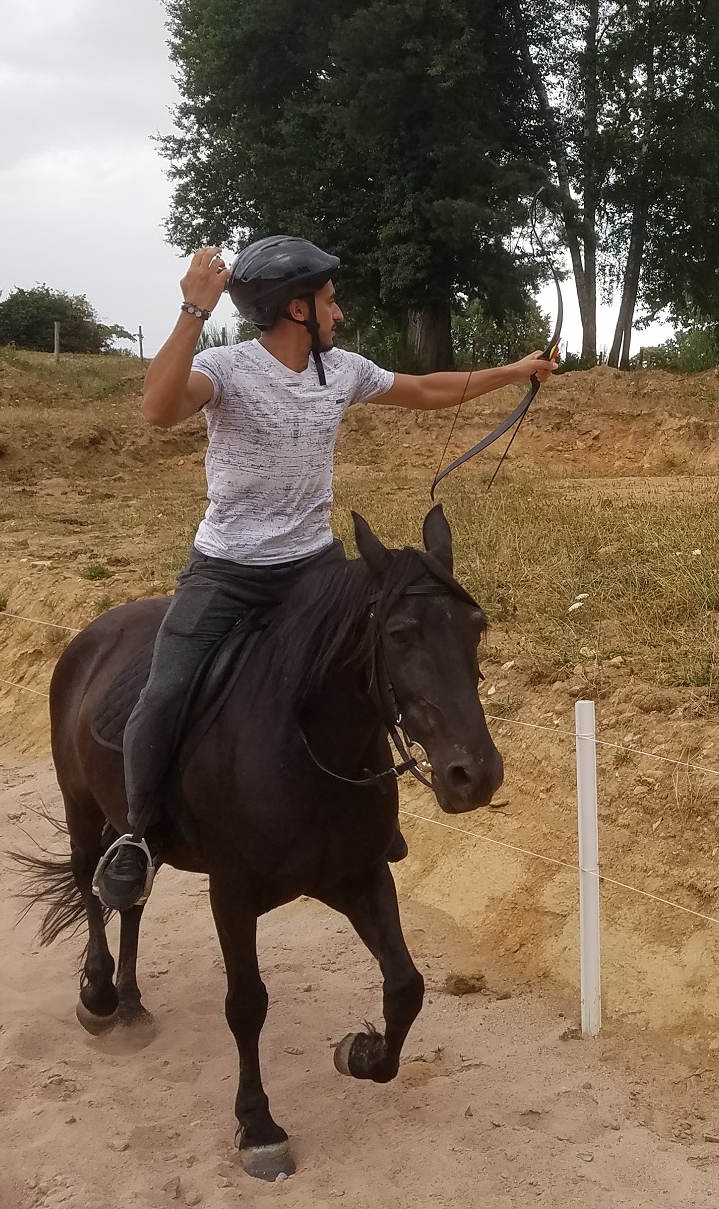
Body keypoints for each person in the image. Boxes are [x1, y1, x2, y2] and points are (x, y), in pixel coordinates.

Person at [92, 236, 557, 911]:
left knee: (369, 676)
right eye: (331, 300)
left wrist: (514, 372)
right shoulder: (226, 367)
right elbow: (158, 409)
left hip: (313, 566)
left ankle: (367, 820)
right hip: (228, 571)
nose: (339, 313)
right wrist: (193, 310)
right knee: (163, 694)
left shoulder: (340, 371)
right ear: (296, 307)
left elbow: (427, 389)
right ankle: (136, 836)